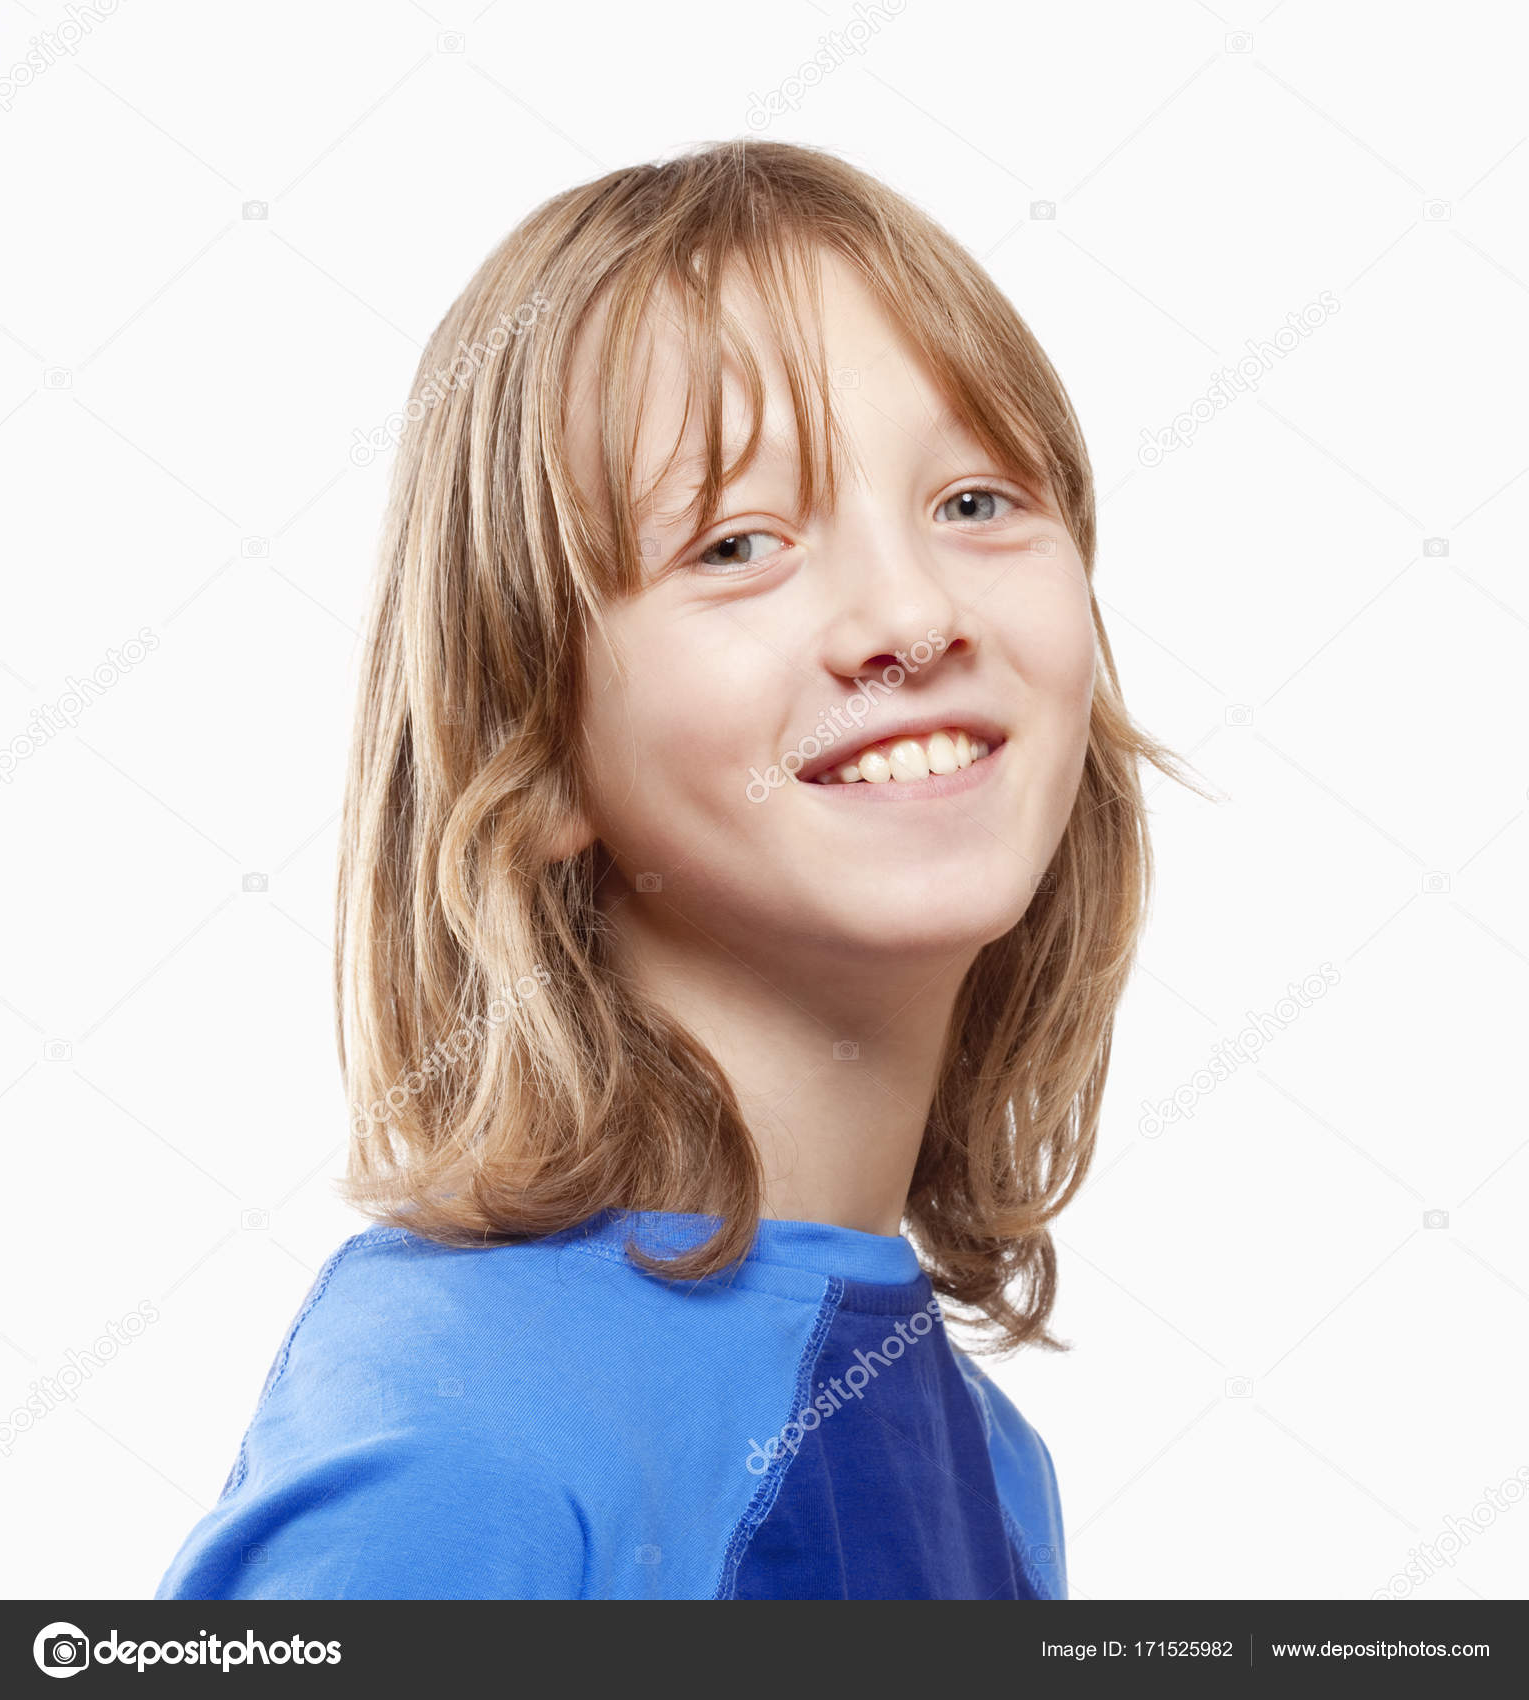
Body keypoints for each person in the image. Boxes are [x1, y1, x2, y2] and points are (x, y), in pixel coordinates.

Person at [155, 137, 1196, 1602]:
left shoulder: (994, 1467)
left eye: (974, 502)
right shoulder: (468, 1430)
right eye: (737, 542)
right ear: (534, 755)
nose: (910, 610)